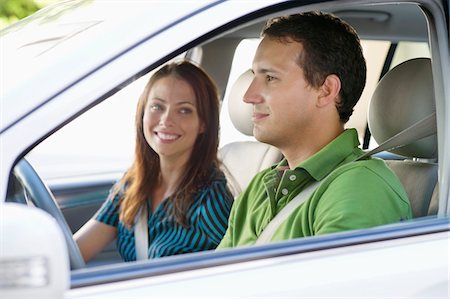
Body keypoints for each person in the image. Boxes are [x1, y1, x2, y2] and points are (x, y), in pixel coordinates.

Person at [217, 12, 412, 248]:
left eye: (270, 77)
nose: (248, 96)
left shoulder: (360, 187)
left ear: (326, 90)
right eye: (254, 76)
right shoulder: (262, 186)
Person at [75, 61, 234, 262]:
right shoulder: (133, 182)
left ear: (203, 123)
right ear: (143, 112)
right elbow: (77, 251)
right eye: (157, 106)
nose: (166, 120)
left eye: (184, 110)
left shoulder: (211, 200)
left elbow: (235, 273)